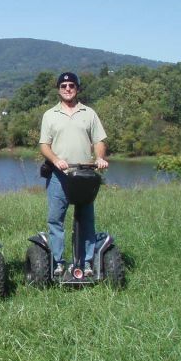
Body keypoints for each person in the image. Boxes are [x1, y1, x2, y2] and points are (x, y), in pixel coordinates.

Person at [39, 71, 109, 277]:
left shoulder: (89, 113)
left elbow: (99, 140)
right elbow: (44, 145)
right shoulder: (50, 115)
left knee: (85, 219)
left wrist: (99, 158)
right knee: (55, 219)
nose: (67, 89)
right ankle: (58, 262)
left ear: (77, 88)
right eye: (63, 86)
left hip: (84, 175)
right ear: (58, 90)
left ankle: (86, 262)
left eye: (71, 85)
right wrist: (55, 159)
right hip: (59, 176)